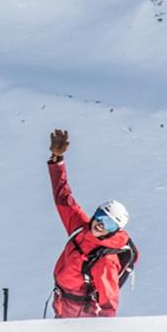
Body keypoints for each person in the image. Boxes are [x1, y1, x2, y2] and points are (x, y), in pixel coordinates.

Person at [45, 128, 133, 318]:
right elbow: (63, 198)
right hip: (62, 302)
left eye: (108, 225)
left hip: (81, 315)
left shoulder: (106, 260)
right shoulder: (81, 228)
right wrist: (56, 160)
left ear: (114, 231)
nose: (100, 225)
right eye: (100, 217)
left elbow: (109, 303)